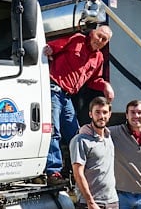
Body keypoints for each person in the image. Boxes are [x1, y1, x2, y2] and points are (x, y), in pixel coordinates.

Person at [44, 25, 114, 186]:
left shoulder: (99, 58)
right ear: (92, 33)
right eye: (99, 36)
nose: (100, 40)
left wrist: (105, 86)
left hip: (67, 97)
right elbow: (53, 47)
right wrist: (48, 50)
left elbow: (94, 80)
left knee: (75, 135)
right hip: (53, 89)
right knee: (53, 131)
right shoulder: (77, 39)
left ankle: (80, 170)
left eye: (104, 39)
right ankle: (53, 172)